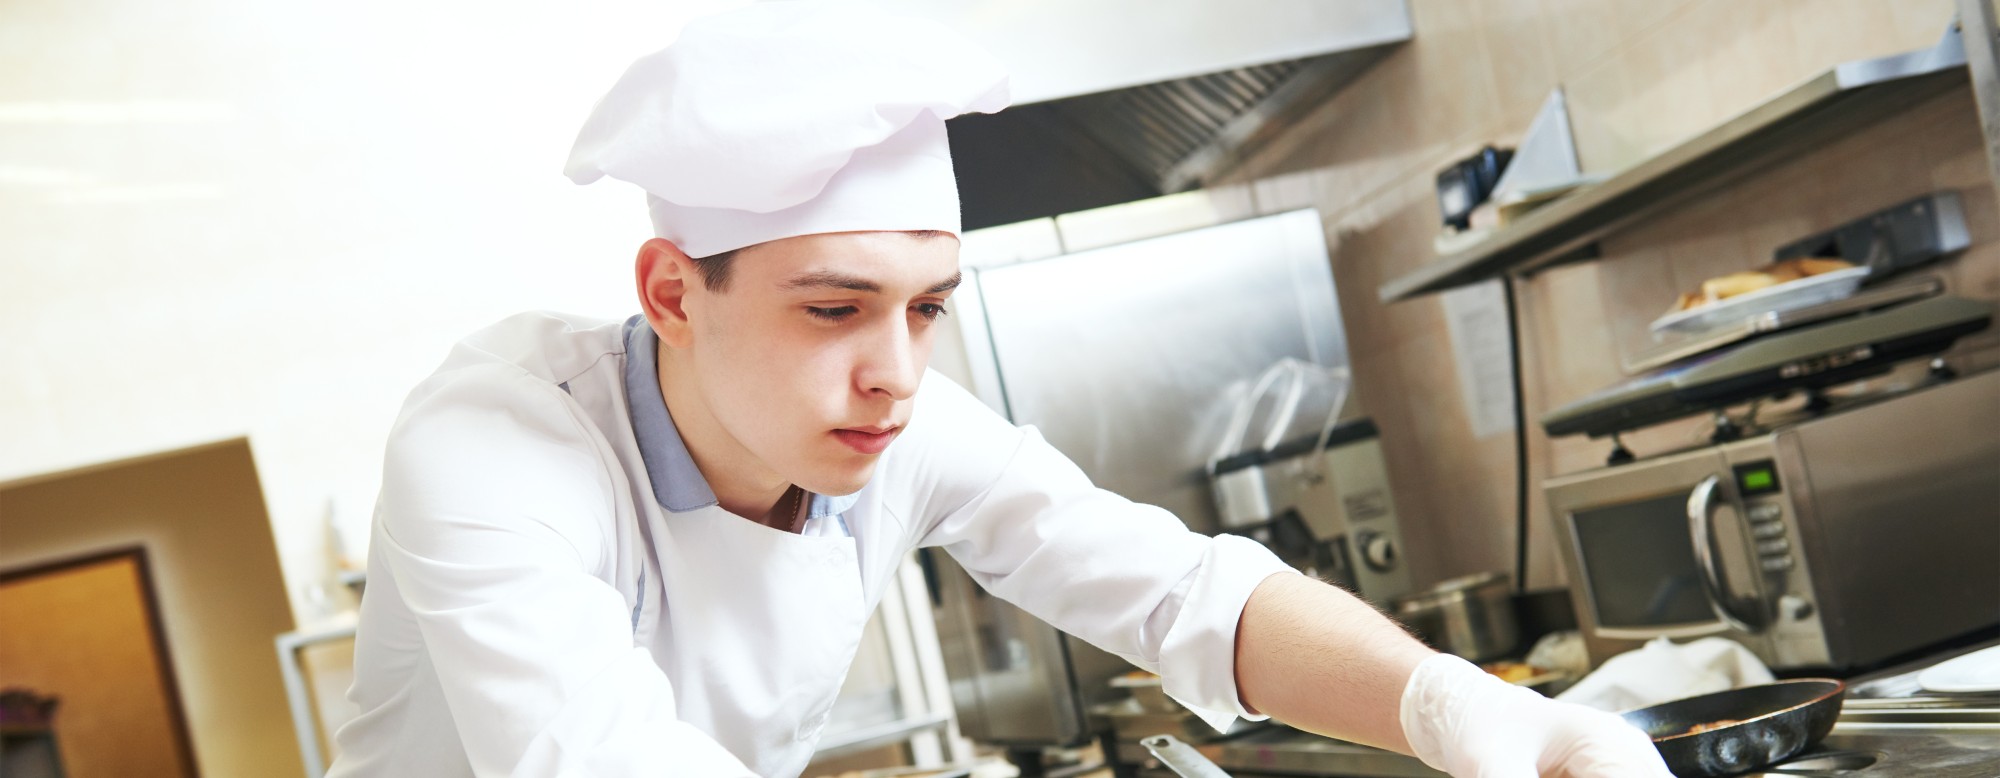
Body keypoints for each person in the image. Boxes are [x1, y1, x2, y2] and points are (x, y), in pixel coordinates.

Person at [327, 3, 1673, 777]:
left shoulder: (893, 420)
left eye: (927, 307)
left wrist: (1469, 712)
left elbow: (1180, 590)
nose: (896, 372)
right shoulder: (496, 444)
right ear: (675, 294)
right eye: (833, 308)